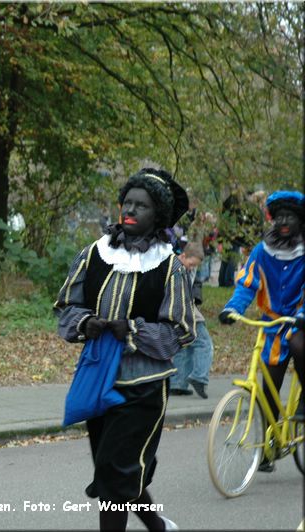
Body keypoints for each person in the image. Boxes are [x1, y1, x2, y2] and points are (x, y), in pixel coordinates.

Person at [54, 167, 196, 532]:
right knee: (114, 468)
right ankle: (157, 525)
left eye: (142, 205)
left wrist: (130, 330)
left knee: (116, 474)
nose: (130, 210)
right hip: (98, 375)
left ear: (158, 216)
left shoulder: (169, 267)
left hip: (144, 386)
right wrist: (87, 323)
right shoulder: (94, 254)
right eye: (127, 202)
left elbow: (180, 330)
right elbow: (67, 306)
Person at [219, 190, 305, 471]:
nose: (283, 220)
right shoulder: (262, 250)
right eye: (278, 215)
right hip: (272, 326)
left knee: (299, 345)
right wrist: (233, 308)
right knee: (268, 390)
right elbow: (247, 284)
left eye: (289, 216)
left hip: (300, 322)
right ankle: (270, 448)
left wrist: (302, 315)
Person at [169, 241, 213, 398]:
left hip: (182, 311)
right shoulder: (176, 269)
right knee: (204, 344)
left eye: (195, 266)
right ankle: (199, 377)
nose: (192, 267)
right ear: (183, 255)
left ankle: (177, 383)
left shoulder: (178, 266)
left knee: (184, 346)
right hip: (186, 312)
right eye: (191, 263)